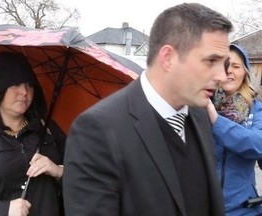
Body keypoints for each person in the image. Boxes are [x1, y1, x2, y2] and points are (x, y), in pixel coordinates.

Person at [63, 3, 233, 216]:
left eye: (224, 64)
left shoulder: (200, 114)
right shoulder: (98, 130)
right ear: (168, 58)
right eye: (211, 61)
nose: (222, 76)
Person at [0, 52, 66, 216]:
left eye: (29, 84)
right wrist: (3, 210)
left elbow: (87, 175)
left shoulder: (48, 130)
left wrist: (59, 171)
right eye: (15, 84)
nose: (24, 91)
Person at [207, 44, 262, 216]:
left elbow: (258, 145)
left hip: (244, 210)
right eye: (224, 65)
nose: (229, 70)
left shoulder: (256, 109)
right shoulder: (198, 106)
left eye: (236, 66)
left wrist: (216, 120)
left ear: (245, 72)